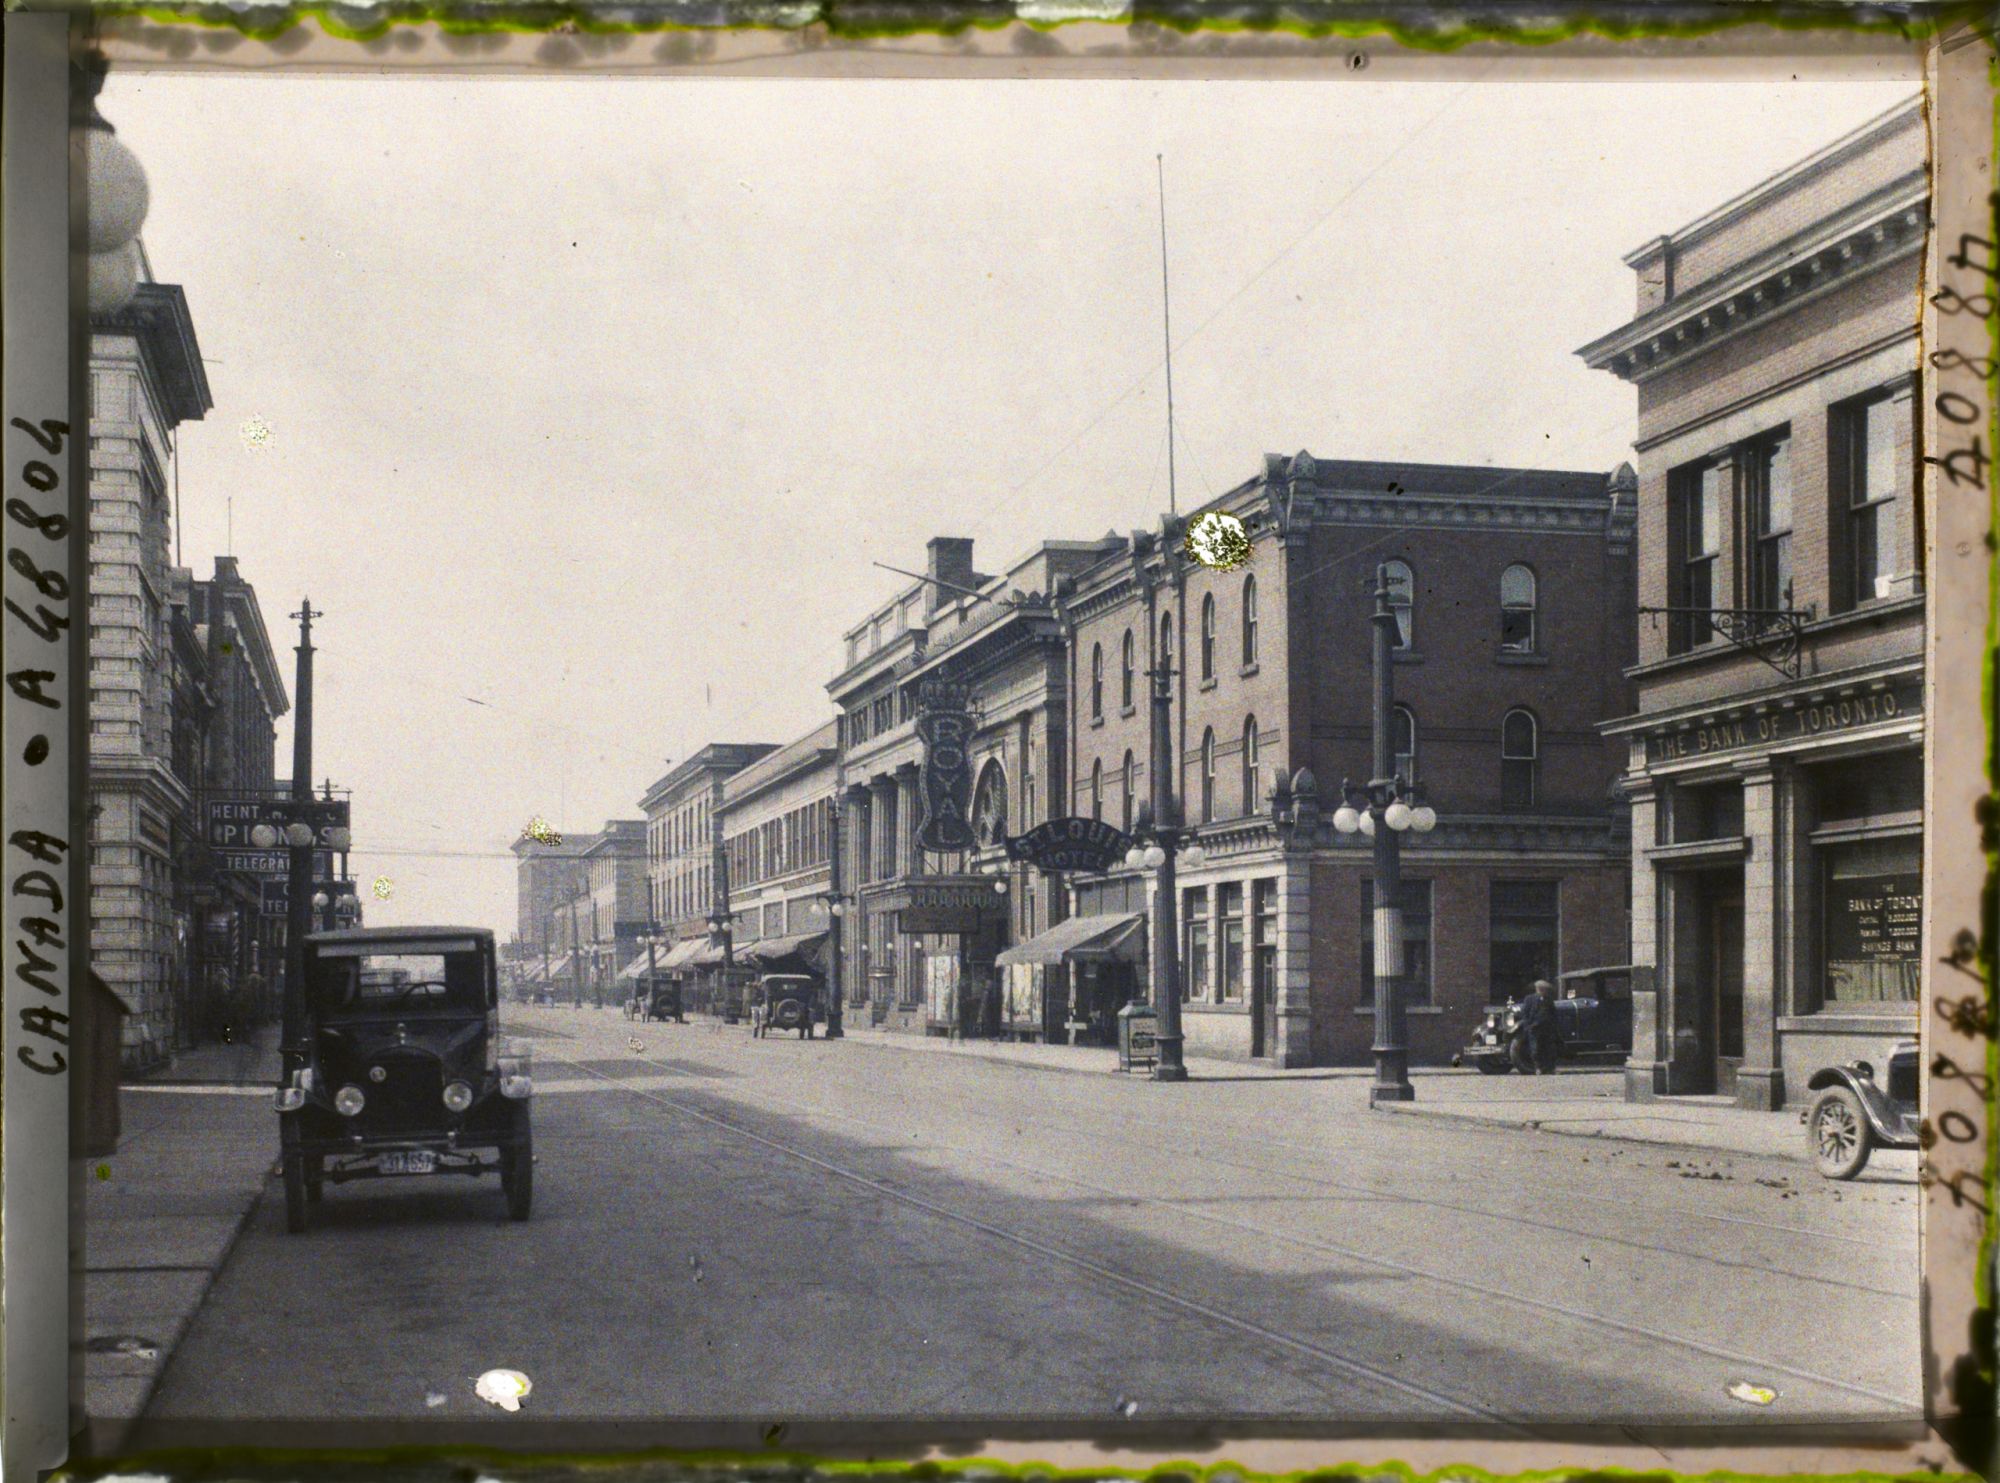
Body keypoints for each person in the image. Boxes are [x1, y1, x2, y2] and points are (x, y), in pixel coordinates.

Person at [1512, 978, 1559, 1074]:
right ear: (1537, 989)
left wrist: (1553, 1025)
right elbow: (1525, 1013)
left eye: (1544, 989)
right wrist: (1528, 1025)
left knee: (1549, 1048)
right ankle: (1538, 1068)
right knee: (1535, 1049)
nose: (1542, 991)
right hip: (1534, 1027)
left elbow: (1553, 1013)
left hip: (1547, 1028)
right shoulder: (1529, 999)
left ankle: (1550, 1068)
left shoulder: (1548, 999)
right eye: (1541, 989)